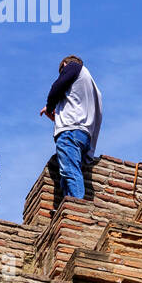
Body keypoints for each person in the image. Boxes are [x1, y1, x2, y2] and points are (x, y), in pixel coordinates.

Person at [39, 55, 103, 200]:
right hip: (83, 135)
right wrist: (56, 118)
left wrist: (50, 106)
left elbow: (57, 87)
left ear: (66, 65)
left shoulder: (72, 67)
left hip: (70, 132)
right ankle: (67, 206)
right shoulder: (93, 89)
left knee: (70, 171)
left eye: (62, 70)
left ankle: (76, 207)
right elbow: (77, 113)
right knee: (67, 173)